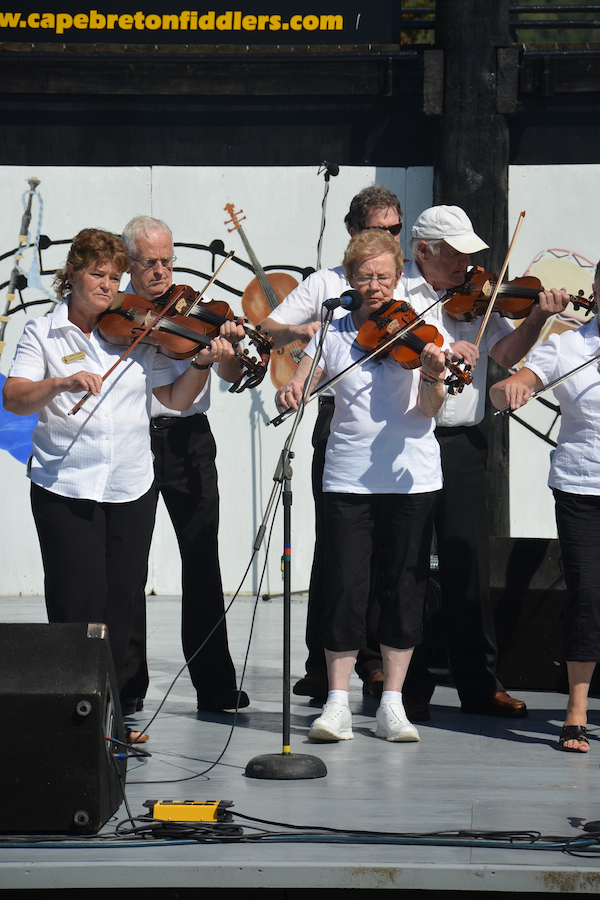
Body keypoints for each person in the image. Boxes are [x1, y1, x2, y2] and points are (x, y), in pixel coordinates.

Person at [2, 228, 242, 739]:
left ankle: (108, 720)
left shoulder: (132, 334)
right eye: (98, 274)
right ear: (72, 275)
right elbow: (16, 397)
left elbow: (175, 400)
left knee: (118, 607)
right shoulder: (42, 333)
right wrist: (61, 383)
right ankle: (72, 722)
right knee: (76, 604)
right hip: (65, 484)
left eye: (113, 277)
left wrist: (201, 362)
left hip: (129, 486)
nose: (108, 286)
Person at [276, 229, 450, 742]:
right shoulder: (333, 330)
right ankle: (336, 703)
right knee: (345, 588)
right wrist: (292, 388)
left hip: (411, 477)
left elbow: (428, 410)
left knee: (403, 589)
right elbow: (305, 378)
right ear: (348, 279)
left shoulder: (423, 328)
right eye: (364, 276)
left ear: (399, 278)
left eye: (384, 276)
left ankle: (392, 703)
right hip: (347, 475)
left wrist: (435, 376)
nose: (374, 286)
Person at [400, 205, 569, 720]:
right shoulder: (397, 295)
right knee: (405, 563)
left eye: (470, 253)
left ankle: (479, 682)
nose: (467, 264)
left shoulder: (477, 298)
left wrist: (537, 316)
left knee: (467, 561)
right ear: (423, 251)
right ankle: (407, 687)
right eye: (455, 253)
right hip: (407, 441)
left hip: (463, 442)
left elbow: (504, 352)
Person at [260, 184, 403, 701]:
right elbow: (270, 329)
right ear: (352, 234)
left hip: (396, 431)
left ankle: (373, 661)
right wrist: (310, 330)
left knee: (388, 555)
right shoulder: (327, 282)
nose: (386, 239)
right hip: (336, 416)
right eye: (375, 230)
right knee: (339, 553)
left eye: (393, 230)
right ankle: (323, 662)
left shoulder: (404, 286)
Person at [119, 215, 250, 714]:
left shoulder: (198, 309)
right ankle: (128, 687)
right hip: (131, 438)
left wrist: (230, 348)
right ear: (129, 264)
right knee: (129, 565)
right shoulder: (118, 314)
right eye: (149, 262)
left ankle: (214, 684)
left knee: (201, 558)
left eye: (167, 261)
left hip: (189, 440)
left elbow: (237, 372)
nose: (161, 271)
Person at [489, 276, 593, 752]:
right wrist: (509, 391)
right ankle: (576, 710)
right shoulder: (569, 347)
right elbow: (513, 381)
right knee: (588, 596)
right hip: (582, 487)